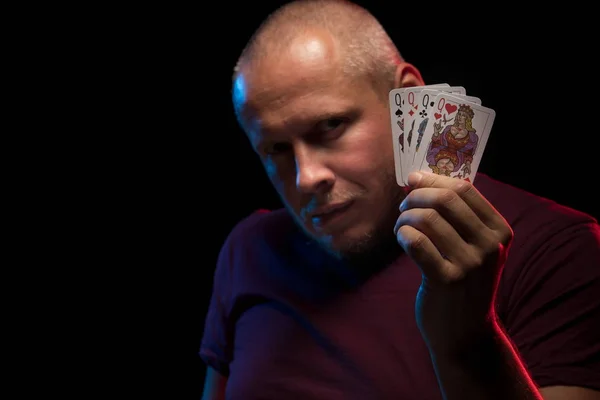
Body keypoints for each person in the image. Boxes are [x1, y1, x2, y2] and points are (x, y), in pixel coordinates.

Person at [200, 1, 600, 398]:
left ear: (406, 98)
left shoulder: (558, 248)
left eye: (330, 125)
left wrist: (467, 341)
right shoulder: (249, 248)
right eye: (276, 149)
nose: (307, 178)